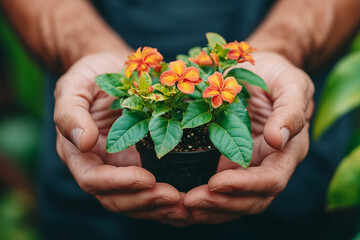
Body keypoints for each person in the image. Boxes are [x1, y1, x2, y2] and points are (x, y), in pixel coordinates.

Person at [1, 0, 359, 239]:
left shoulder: (220, 89)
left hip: (285, 178)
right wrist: (88, 51)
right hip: (95, 176)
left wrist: (282, 50)